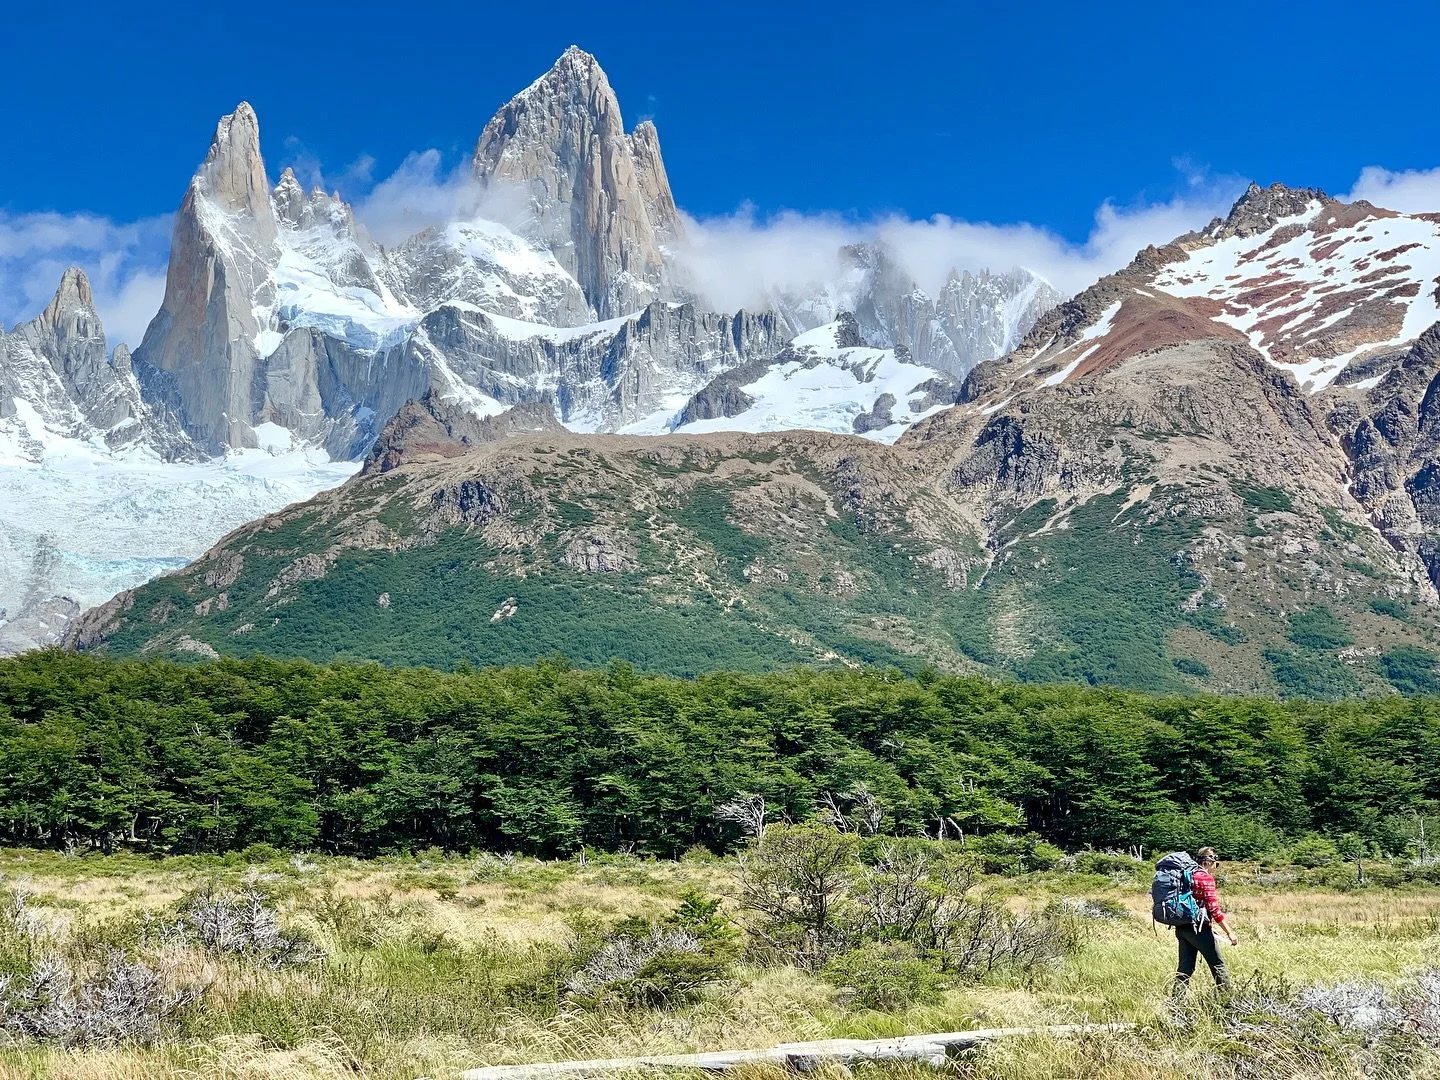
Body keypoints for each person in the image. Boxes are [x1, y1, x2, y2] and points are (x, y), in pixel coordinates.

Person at [1174, 846, 1237, 992]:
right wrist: (1230, 932)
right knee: (1218, 965)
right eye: (1216, 862)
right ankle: (1228, 1001)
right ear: (1209, 861)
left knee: (1185, 969)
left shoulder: (1188, 875)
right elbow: (1213, 909)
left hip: (1182, 926)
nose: (1216, 866)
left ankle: (1176, 1003)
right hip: (1199, 929)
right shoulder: (1205, 878)